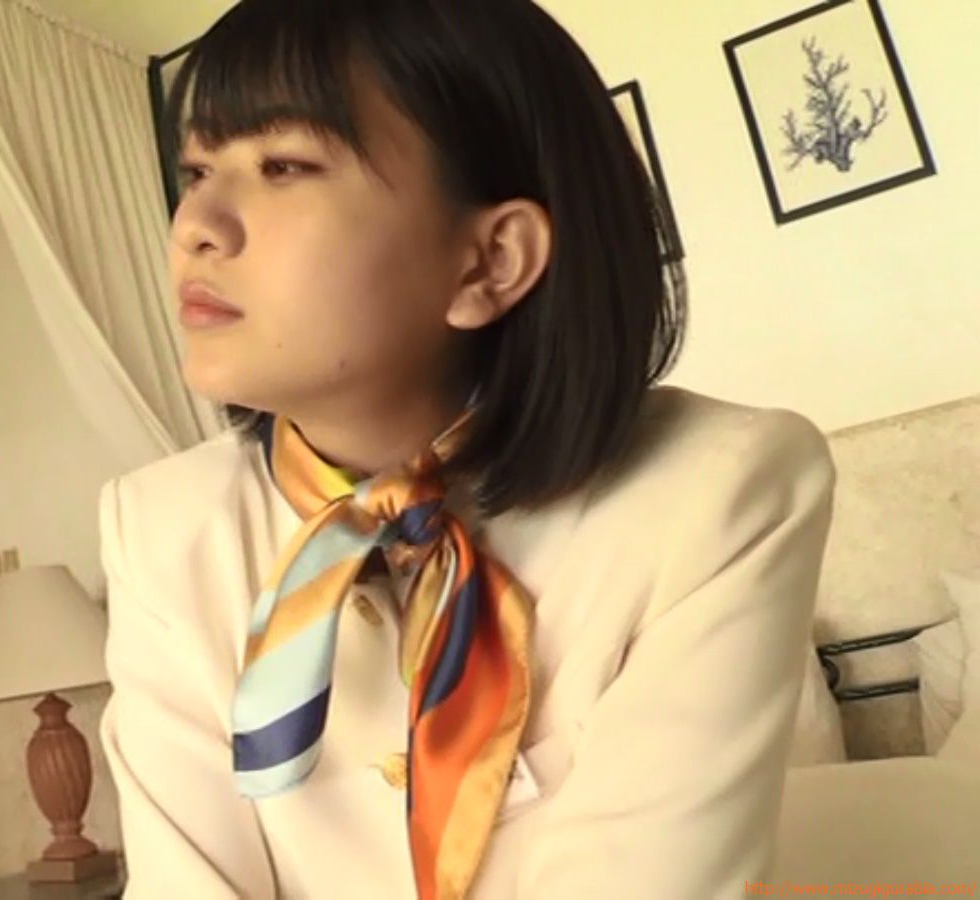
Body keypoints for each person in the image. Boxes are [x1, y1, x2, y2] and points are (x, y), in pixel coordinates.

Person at [96, 0, 836, 897]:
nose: (194, 225)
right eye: (197, 170)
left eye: (282, 165)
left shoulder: (721, 494)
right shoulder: (159, 531)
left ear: (491, 261)